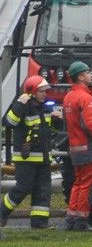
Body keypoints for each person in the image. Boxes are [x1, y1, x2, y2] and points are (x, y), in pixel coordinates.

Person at [1, 76, 61, 229]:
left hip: (43, 158)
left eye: (45, 91)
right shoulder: (23, 106)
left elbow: (50, 131)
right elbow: (9, 122)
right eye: (41, 91)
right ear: (32, 91)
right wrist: (19, 103)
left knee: (43, 191)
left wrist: (57, 121)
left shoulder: (46, 108)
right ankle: (1, 213)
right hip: (26, 159)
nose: (45, 94)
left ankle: (39, 224)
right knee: (23, 188)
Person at [63, 61, 92, 232]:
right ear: (80, 76)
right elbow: (89, 124)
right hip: (89, 148)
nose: (91, 75)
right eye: (88, 72)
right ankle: (81, 221)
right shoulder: (85, 97)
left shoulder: (68, 97)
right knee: (89, 185)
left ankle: (72, 219)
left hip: (76, 148)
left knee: (78, 183)